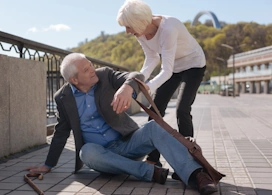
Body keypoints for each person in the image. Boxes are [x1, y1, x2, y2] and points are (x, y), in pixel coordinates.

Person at [26, 53, 217, 195]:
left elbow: (136, 75)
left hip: (129, 143)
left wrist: (127, 87)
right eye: (86, 70)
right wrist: (48, 164)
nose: (92, 70)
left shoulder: (104, 75)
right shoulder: (63, 97)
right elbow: (60, 132)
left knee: (153, 127)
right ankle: (150, 172)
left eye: (90, 65)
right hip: (102, 156)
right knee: (86, 152)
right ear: (74, 80)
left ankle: (196, 175)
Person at [116, 0, 206, 167]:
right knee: (155, 111)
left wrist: (149, 86)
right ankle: (153, 158)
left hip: (193, 65)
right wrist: (139, 81)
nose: (127, 32)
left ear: (139, 22)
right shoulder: (141, 32)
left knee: (182, 110)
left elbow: (166, 70)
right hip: (174, 67)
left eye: (129, 27)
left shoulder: (168, 28)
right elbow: (152, 58)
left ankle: (190, 161)